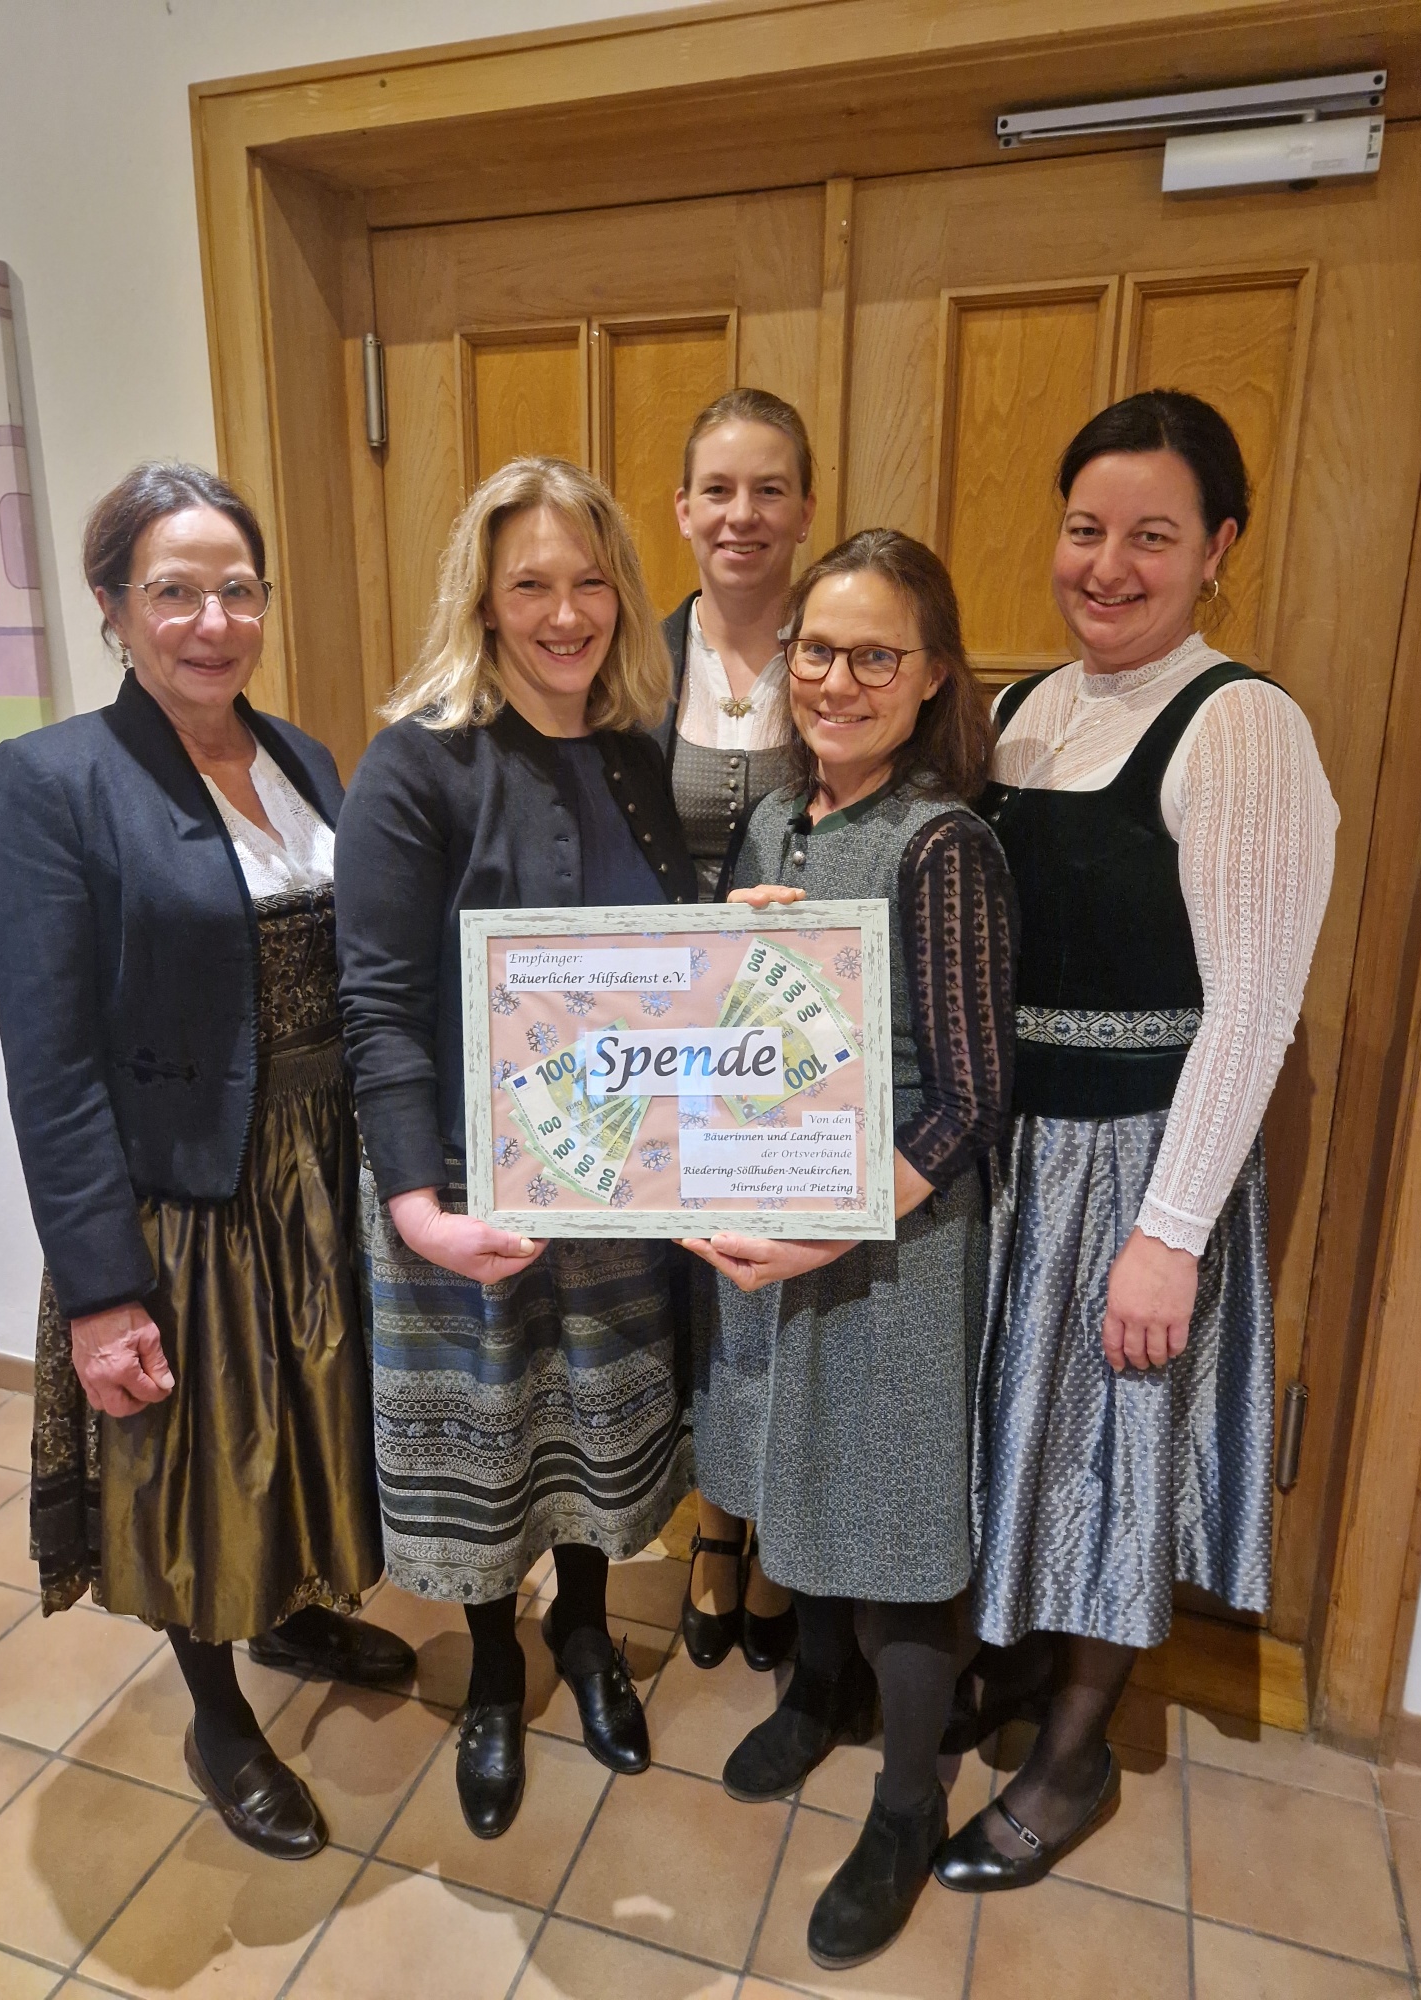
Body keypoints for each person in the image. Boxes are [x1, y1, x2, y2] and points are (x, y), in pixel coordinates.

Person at [934, 390, 1338, 1893]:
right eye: (1085, 529)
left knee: (1109, 1451)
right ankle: (1019, 1663)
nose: (1108, 567)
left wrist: (1169, 1234)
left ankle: (1075, 1750)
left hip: (1138, 1159)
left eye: (1152, 537)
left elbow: (1254, 1011)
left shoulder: (1241, 726)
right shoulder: (1028, 710)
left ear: (1218, 548)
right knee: (1022, 1433)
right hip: (1015, 1149)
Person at [0, 462, 414, 1863]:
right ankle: (219, 1713)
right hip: (187, 1190)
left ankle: (294, 1616)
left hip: (321, 1164)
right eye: (174, 592)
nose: (213, 621)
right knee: (196, 1465)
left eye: (237, 589)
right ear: (113, 608)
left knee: (308, 1418)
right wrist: (104, 1289)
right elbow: (50, 1060)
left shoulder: (303, 756)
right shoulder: (54, 779)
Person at [334, 455, 698, 1842]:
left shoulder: (637, 754)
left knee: (598, 1433)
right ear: (483, 600)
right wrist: (416, 1204)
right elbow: (377, 1003)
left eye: (589, 581)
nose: (564, 613)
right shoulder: (414, 762)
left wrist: (750, 932)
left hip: (617, 1181)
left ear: (622, 594)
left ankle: (586, 1635)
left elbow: (665, 963)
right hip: (463, 1183)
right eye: (530, 583)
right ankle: (495, 1670)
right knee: (488, 1446)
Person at [684, 529, 1017, 1968]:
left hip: (892, 1243)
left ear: (932, 674)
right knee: (793, 1466)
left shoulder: (942, 844)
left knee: (894, 1518)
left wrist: (826, 1230)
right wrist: (724, 943)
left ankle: (904, 1804)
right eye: (817, 650)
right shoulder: (776, 821)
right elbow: (742, 1026)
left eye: (876, 655)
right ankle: (816, 1694)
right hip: (780, 1223)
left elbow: (972, 1097)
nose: (837, 679)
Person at [661, 387, 817, 1675]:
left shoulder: (842, 655)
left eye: (769, 489)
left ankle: (778, 1535)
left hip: (797, 1038)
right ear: (682, 509)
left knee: (785, 1286)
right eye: (718, 489)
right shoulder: (630, 660)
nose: (742, 515)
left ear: (805, 509)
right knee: (697, 1289)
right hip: (667, 1033)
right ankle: (715, 1527)